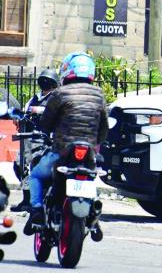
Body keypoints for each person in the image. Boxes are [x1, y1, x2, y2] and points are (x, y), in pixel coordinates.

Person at [24, 51, 108, 236]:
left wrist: (45, 132)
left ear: (67, 71)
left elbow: (46, 122)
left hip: (62, 151)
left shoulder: (60, 93)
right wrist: (96, 143)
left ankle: (37, 209)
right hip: (88, 153)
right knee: (90, 177)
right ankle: (93, 211)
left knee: (36, 175)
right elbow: (104, 127)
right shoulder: (99, 95)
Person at [10, 69, 59, 212]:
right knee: (20, 165)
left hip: (46, 139)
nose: (45, 83)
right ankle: (26, 199)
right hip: (29, 135)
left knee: (38, 166)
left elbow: (57, 112)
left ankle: (40, 200)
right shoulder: (35, 97)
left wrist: (39, 110)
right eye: (43, 80)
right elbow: (26, 111)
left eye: (48, 80)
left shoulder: (56, 97)